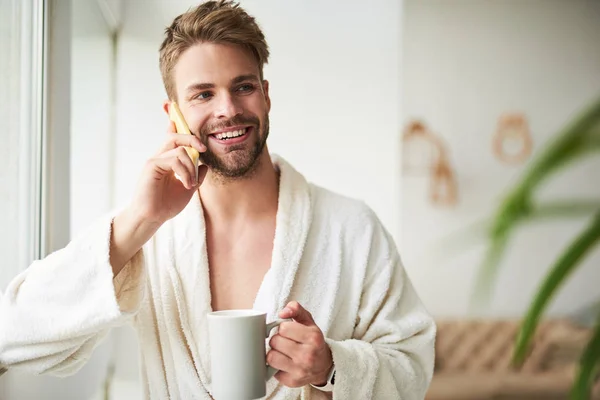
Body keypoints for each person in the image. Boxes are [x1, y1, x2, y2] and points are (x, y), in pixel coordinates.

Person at [0, 1, 436, 398]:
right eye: (203, 94)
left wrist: (332, 366)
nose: (228, 109)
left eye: (243, 86)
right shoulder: (149, 233)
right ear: (174, 115)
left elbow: (413, 366)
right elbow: (14, 334)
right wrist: (140, 220)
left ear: (265, 95)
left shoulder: (351, 228)